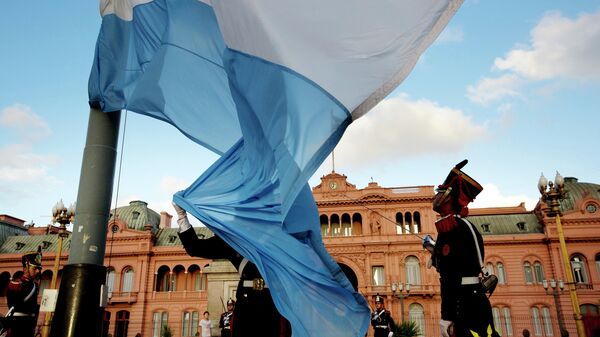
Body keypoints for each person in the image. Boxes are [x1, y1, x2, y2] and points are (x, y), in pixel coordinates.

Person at [174, 203, 291, 337]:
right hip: (247, 304)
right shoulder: (234, 239)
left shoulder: (280, 235)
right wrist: (182, 216)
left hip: (275, 303)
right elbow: (195, 247)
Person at [428, 160, 500, 337]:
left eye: (441, 192)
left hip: (462, 304)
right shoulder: (468, 226)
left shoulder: (450, 228)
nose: (436, 197)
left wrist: (447, 316)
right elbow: (460, 261)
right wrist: (433, 248)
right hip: (477, 301)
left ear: (448, 198)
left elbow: (449, 276)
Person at [4, 247, 42, 337]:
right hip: (18, 325)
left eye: (39, 269)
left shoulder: (34, 285)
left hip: (30, 325)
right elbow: (14, 305)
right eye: (35, 269)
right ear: (25, 269)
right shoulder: (16, 284)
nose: (37, 271)